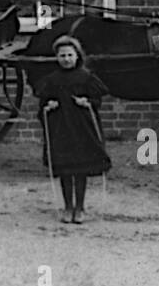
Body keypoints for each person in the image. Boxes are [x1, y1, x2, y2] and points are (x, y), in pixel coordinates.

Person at [36, 35, 112, 224]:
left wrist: (88, 102)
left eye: (70, 55)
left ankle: (80, 207)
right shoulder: (52, 80)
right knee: (65, 169)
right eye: (62, 56)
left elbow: (97, 101)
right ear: (57, 58)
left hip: (81, 129)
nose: (66, 59)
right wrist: (48, 106)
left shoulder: (86, 78)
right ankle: (67, 206)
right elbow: (42, 104)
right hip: (61, 129)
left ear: (77, 56)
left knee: (80, 169)